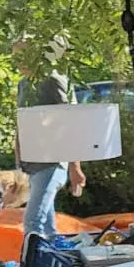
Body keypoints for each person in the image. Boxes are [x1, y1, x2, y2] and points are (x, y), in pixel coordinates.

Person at [15, 36, 85, 240]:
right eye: (16, 56)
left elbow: (72, 122)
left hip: (52, 162)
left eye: (22, 55)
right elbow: (22, 123)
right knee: (47, 227)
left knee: (32, 223)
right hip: (31, 164)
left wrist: (75, 167)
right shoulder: (24, 84)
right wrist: (19, 164)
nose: (18, 62)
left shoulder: (54, 80)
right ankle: (58, 266)